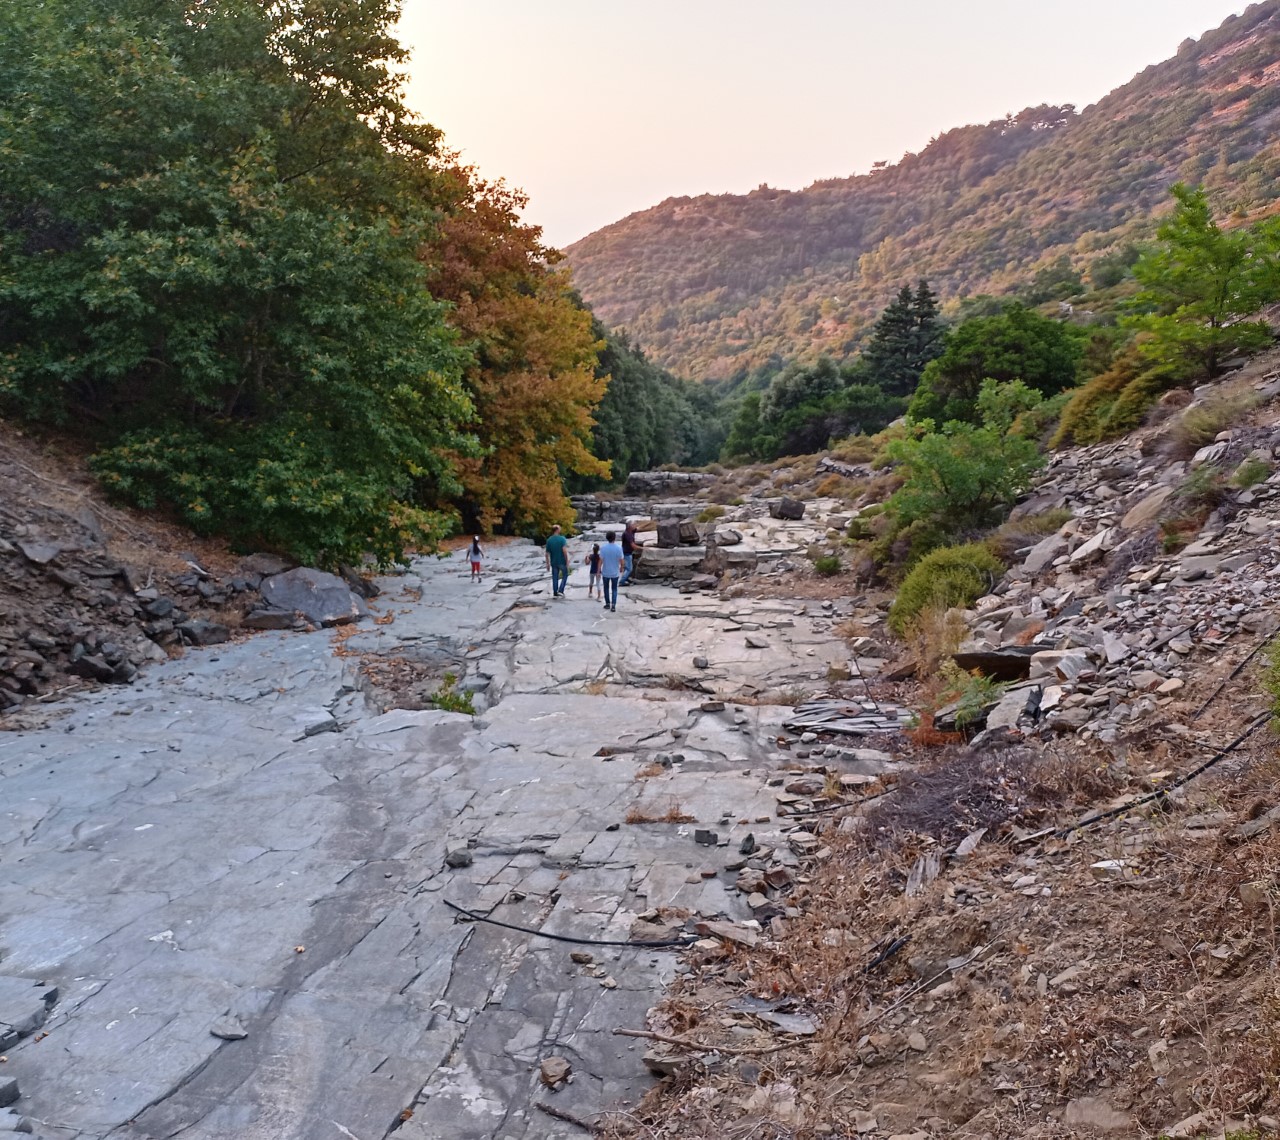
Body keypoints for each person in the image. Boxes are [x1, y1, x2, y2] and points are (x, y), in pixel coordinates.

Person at [599, 530, 624, 612]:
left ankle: (607, 603)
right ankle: (613, 605)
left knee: (606, 588)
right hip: (615, 572)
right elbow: (621, 560)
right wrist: (622, 568)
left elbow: (601, 560)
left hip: (606, 572)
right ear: (614, 538)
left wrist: (598, 570)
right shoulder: (619, 548)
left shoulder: (603, 548)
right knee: (614, 589)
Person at [545, 524, 570, 598]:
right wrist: (567, 560)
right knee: (565, 575)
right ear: (557, 530)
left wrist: (548, 563)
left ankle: (555, 592)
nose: (560, 529)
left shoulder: (549, 540)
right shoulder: (562, 539)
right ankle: (561, 590)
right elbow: (564, 550)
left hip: (554, 562)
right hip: (561, 561)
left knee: (555, 577)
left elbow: (547, 553)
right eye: (559, 528)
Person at [619, 521, 644, 586]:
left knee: (627, 567)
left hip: (628, 552)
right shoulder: (627, 534)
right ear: (630, 526)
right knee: (629, 569)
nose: (635, 526)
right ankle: (622, 581)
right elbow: (633, 546)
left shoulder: (631, 531)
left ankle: (626, 578)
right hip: (626, 553)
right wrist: (643, 548)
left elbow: (638, 528)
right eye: (633, 525)